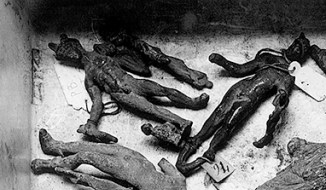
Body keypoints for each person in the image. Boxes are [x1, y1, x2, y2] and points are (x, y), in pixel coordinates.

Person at [177, 34, 310, 174]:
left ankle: (211, 150)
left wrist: (282, 97)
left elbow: (281, 101)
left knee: (230, 123)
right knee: (218, 115)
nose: (294, 49)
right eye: (295, 44)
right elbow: (240, 69)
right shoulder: (268, 58)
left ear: (301, 56)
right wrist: (222, 61)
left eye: (299, 49)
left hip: (250, 99)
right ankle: (195, 140)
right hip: (239, 88)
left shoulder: (288, 76)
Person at [48, 34, 207, 146]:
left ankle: (192, 102)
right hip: (122, 95)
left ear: (76, 44)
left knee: (164, 90)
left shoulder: (100, 50)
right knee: (153, 110)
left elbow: (119, 44)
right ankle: (182, 122)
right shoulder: (88, 76)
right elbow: (97, 102)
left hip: (131, 81)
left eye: (70, 48)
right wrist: (92, 122)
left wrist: (119, 40)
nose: (72, 53)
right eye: (67, 53)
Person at [32, 129, 212, 190]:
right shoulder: (180, 182)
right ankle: (55, 146)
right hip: (138, 159)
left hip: (125, 171)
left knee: (86, 156)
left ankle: (51, 165)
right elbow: (163, 163)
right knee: (95, 147)